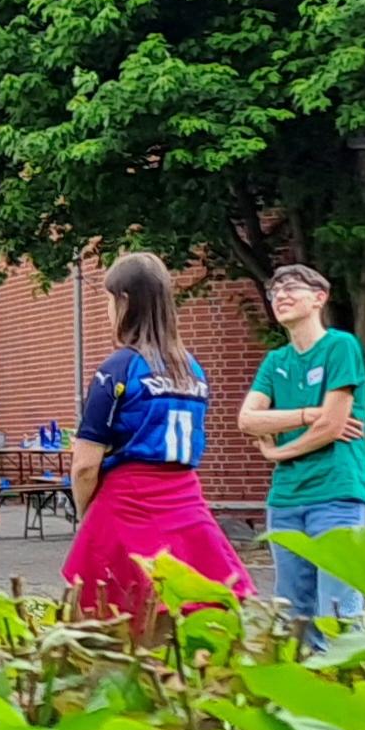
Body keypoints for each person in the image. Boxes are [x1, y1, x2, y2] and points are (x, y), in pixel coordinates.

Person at [63, 252, 252, 635]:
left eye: (108, 300)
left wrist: (87, 514)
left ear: (125, 302)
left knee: (101, 621)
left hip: (127, 502)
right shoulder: (192, 369)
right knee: (185, 612)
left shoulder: (118, 367)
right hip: (186, 501)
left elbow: (85, 464)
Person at [240, 263, 365, 640]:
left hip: (336, 494)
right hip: (284, 501)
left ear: (319, 298)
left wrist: (279, 452)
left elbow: (333, 427)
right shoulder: (275, 361)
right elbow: (248, 419)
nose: (280, 295)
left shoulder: (340, 346)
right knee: (292, 614)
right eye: (274, 290)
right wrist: (308, 415)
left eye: (291, 287)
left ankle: (345, 689)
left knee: (338, 610)